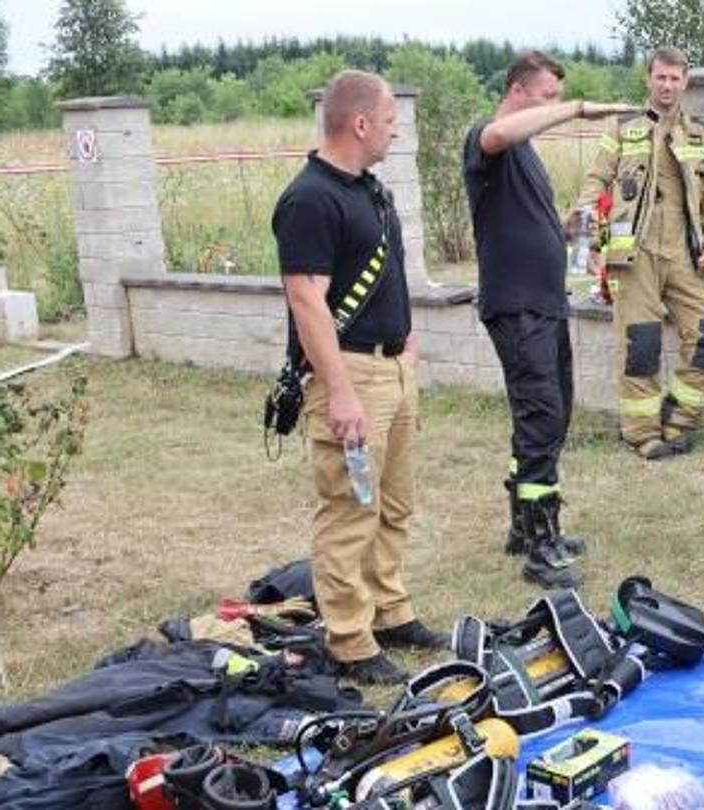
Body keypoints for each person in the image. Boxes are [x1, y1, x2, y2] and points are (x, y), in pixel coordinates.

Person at [274, 70, 447, 685]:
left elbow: (388, 275)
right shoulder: (308, 200)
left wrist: (408, 345)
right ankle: (349, 639)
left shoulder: (372, 191)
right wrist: (341, 391)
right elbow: (306, 300)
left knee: (395, 504)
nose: (396, 133)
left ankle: (391, 610)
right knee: (351, 509)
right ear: (360, 123)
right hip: (349, 373)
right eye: (391, 123)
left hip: (392, 366)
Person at [464, 51, 624, 589]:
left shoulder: (524, 152)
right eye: (547, 96)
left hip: (545, 302)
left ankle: (523, 527)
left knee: (549, 414)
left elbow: (521, 220)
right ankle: (539, 547)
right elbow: (497, 136)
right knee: (540, 417)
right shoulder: (486, 139)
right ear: (517, 90)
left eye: (558, 98)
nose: (552, 107)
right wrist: (578, 110)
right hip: (518, 306)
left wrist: (564, 226)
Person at [576, 47, 704, 461]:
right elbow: (596, 183)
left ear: (686, 81)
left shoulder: (701, 134)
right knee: (640, 344)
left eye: (674, 78)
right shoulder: (623, 128)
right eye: (660, 77)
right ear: (649, 78)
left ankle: (678, 420)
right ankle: (642, 433)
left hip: (684, 252)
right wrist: (591, 243)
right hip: (634, 255)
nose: (667, 85)